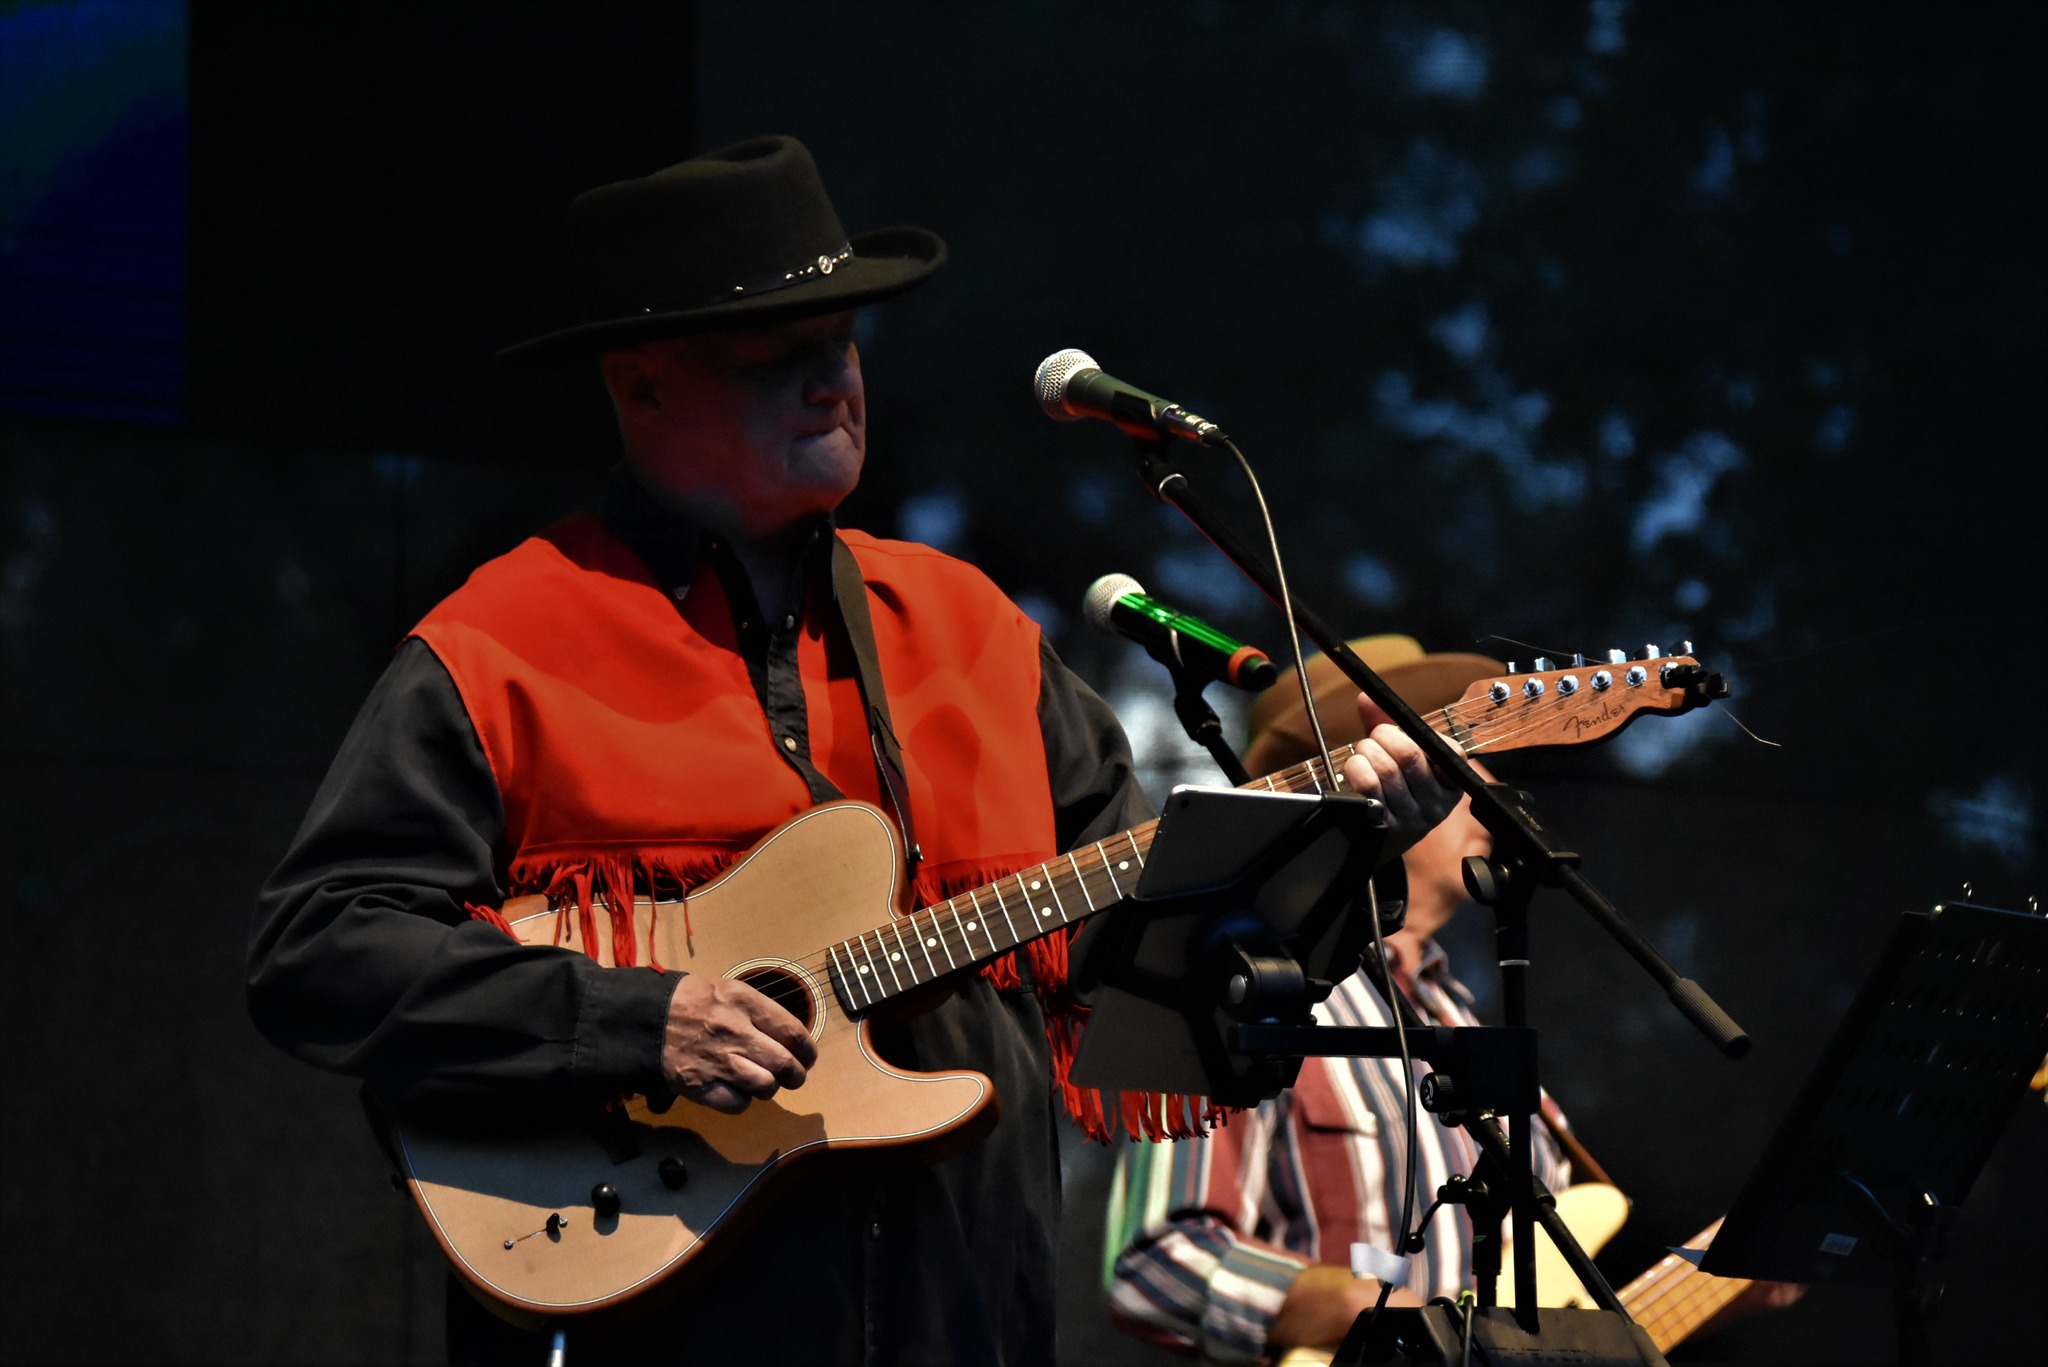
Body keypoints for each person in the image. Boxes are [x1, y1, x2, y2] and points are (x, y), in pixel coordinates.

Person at [245, 137, 1464, 1364]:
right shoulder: (501, 644)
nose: (833, 381)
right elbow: (319, 947)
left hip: (968, 1320)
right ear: (641, 383)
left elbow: (1146, 965)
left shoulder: (976, 633)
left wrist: (1336, 864)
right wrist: (635, 1018)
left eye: (843, 343)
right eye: (775, 355)